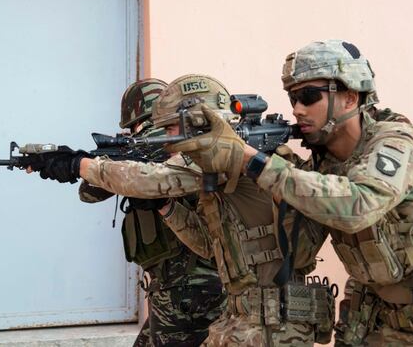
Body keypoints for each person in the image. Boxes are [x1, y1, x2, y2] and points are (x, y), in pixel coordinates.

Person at [168, 41, 413, 346]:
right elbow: (297, 250)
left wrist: (254, 162)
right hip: (379, 320)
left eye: (309, 96)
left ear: (351, 96)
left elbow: (357, 205)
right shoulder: (323, 165)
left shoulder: (398, 143)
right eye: (293, 97)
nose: (297, 109)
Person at [35, 74, 337, 346]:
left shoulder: (230, 158)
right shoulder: (219, 166)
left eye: (168, 127)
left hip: (267, 320)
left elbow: (152, 180)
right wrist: (166, 206)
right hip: (243, 315)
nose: (163, 137)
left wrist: (80, 165)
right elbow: (208, 244)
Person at [44, 79, 227, 347]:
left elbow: (89, 193)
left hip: (186, 287)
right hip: (183, 285)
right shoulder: (176, 146)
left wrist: (87, 165)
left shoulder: (173, 148)